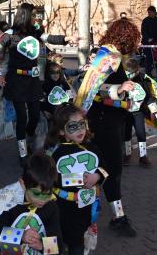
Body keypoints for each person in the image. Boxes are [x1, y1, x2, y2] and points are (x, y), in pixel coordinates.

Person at [74, 18, 141, 237]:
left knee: (103, 167)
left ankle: (97, 208)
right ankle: (117, 217)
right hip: (102, 122)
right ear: (127, 38)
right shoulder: (110, 56)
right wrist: (118, 87)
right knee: (111, 169)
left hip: (108, 121)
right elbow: (92, 88)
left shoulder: (115, 56)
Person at [0, 3, 75, 163]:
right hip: (16, 81)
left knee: (35, 116)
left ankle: (27, 138)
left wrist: (66, 39)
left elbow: (49, 38)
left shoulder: (36, 32)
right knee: (22, 117)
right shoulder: (10, 34)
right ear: (25, 16)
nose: (37, 18)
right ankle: (23, 153)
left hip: (33, 82)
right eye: (34, 15)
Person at [45, 104, 107, 255]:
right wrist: (78, 179)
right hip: (65, 206)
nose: (80, 129)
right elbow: (51, 178)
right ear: (61, 131)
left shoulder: (91, 147)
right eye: (73, 126)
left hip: (88, 205)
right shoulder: (56, 154)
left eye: (82, 124)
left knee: (82, 237)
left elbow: (104, 166)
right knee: (69, 239)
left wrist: (97, 175)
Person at [0, 154, 63, 255]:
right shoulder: (9, 203)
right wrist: (21, 236)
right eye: (37, 193)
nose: (42, 200)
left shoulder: (51, 207)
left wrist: (42, 246)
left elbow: (58, 245)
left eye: (48, 194)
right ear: (23, 184)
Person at [121, 58, 157, 168]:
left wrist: (156, 112)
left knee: (141, 133)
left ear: (137, 70)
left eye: (132, 72)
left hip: (139, 111)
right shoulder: (121, 78)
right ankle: (127, 154)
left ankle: (143, 156)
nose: (129, 75)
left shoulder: (143, 79)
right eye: (127, 72)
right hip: (125, 111)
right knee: (126, 133)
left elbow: (148, 97)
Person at [141, 5, 157, 74]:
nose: (149, 14)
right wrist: (148, 38)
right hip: (148, 44)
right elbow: (143, 31)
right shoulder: (145, 21)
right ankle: (148, 73)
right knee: (149, 59)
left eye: (151, 12)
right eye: (148, 12)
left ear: (154, 12)